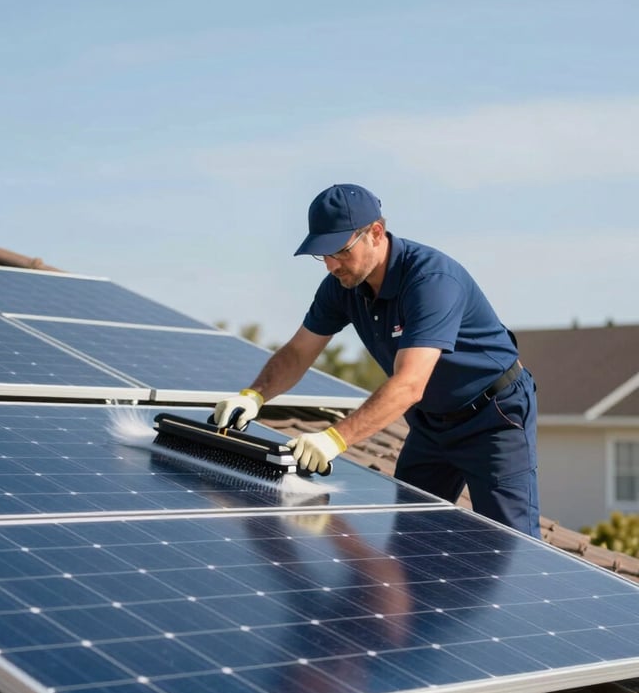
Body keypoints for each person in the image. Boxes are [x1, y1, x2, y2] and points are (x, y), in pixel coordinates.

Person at [213, 183, 540, 538]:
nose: (330, 266)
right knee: (412, 541)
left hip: (493, 418)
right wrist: (254, 395)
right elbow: (297, 352)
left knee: (513, 549)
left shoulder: (431, 281)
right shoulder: (342, 286)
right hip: (431, 424)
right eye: (321, 255)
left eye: (339, 251)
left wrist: (333, 439)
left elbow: (409, 384)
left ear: (376, 233)